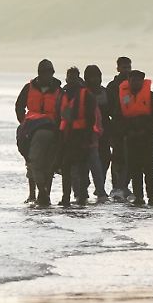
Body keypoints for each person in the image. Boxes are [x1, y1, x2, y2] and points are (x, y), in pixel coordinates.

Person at [14, 59, 62, 207]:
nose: (49, 75)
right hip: (30, 129)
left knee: (49, 164)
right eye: (45, 72)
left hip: (51, 129)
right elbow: (19, 106)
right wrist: (23, 123)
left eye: (50, 72)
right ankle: (35, 193)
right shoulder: (29, 88)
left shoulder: (59, 91)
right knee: (32, 162)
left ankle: (44, 194)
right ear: (40, 73)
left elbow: (63, 110)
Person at [118, 68, 153, 206]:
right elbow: (119, 118)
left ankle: (152, 197)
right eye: (132, 80)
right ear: (128, 81)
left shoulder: (152, 97)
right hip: (131, 138)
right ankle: (138, 196)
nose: (134, 82)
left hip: (147, 138)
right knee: (134, 169)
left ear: (142, 81)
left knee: (149, 169)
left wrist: (148, 131)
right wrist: (126, 132)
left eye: (137, 80)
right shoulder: (124, 97)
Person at [58, 66, 97, 207]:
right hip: (66, 136)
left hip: (81, 135)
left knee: (81, 168)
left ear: (78, 78)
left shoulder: (86, 95)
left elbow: (91, 117)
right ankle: (66, 197)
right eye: (70, 77)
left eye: (74, 77)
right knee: (66, 168)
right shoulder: (62, 94)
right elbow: (58, 114)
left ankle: (80, 197)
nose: (71, 80)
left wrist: (87, 137)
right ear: (66, 78)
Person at [104, 56, 132, 201]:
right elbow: (108, 109)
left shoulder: (133, 85)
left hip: (131, 126)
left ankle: (125, 185)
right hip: (116, 126)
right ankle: (116, 186)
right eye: (124, 67)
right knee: (117, 157)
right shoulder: (112, 86)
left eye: (129, 67)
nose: (127, 70)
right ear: (118, 68)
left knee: (130, 157)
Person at [84, 65, 110, 202]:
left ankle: (100, 186)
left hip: (104, 132)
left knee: (105, 159)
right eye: (92, 77)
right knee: (87, 161)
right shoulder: (83, 93)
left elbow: (112, 112)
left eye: (97, 76)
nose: (95, 79)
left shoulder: (105, 92)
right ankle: (87, 186)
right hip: (86, 132)